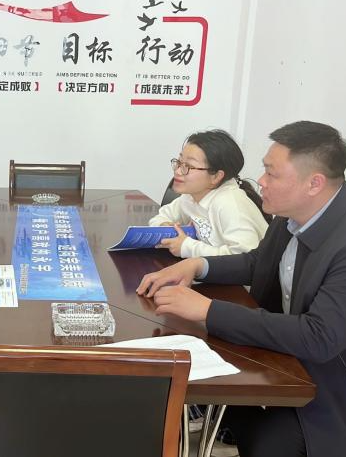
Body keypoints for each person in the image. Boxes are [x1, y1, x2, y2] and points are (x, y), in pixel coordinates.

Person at [137, 120, 346, 457]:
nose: (260, 181)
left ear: (314, 183)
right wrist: (197, 265)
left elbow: (319, 337)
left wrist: (208, 311)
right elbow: (257, 262)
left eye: (271, 173)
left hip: (327, 391)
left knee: (263, 439)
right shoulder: (290, 214)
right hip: (283, 360)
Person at [151, 129, 271, 258]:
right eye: (179, 162)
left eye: (189, 166)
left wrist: (187, 247)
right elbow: (162, 216)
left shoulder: (230, 204)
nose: (178, 171)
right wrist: (164, 226)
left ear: (216, 176)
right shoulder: (190, 196)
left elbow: (243, 257)